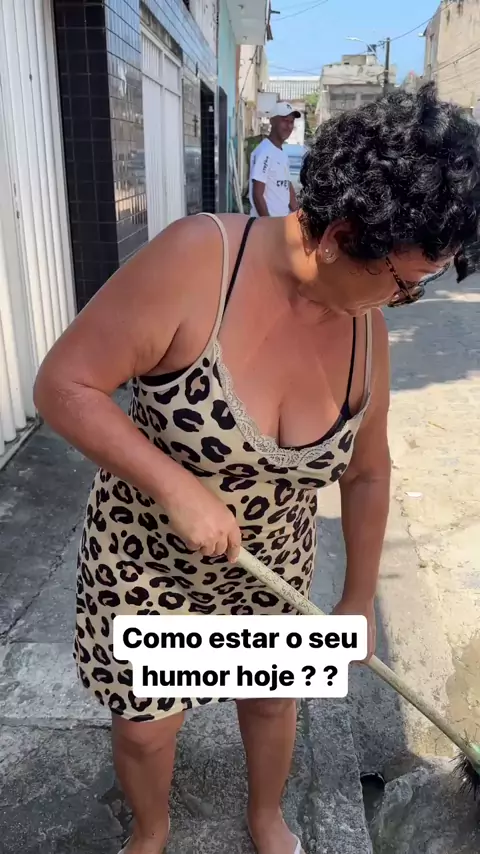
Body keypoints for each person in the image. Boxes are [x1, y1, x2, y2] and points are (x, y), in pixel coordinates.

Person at [33, 83, 480, 854]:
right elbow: (63, 386)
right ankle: (151, 830)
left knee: (272, 706)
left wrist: (358, 597)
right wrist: (174, 485)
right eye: (404, 282)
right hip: (149, 565)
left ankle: (268, 817)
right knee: (146, 730)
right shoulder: (196, 262)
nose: (404, 300)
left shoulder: (365, 331)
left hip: (271, 568)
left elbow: (367, 474)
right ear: (339, 235)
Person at [249, 102, 300, 217]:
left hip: (281, 223)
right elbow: (257, 194)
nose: (288, 126)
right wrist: (269, 224)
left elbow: (287, 186)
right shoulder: (264, 151)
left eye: (291, 122)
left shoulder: (281, 153)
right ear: (272, 121)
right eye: (285, 121)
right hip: (266, 225)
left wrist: (299, 216)